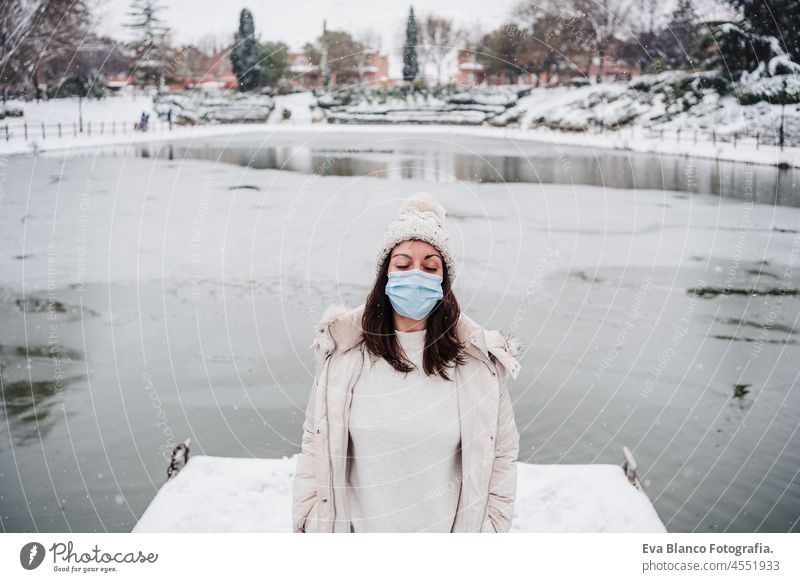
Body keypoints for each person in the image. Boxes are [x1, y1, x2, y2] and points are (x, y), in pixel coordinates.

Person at [292, 192, 522, 533]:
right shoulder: (342, 357)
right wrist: (310, 525)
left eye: (430, 266)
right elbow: (315, 447)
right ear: (385, 275)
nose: (416, 274)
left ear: (444, 282)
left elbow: (501, 458)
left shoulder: (479, 366)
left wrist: (489, 534)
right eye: (402, 264)